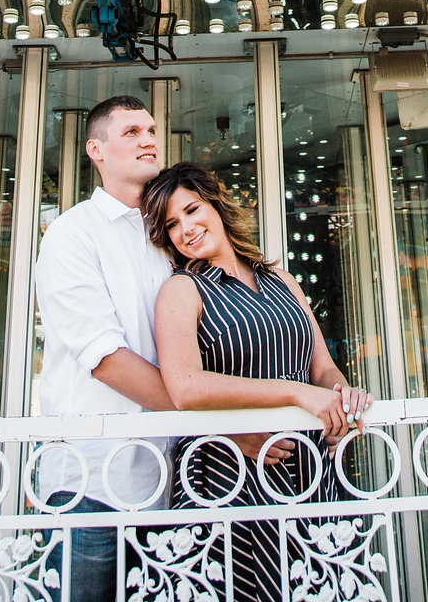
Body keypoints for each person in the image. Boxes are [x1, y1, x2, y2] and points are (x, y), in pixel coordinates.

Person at [143, 161, 372, 602]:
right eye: (172, 224)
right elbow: (185, 387)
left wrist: (342, 393)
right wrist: (293, 392)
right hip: (228, 472)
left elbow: (321, 366)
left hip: (308, 468)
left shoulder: (282, 279)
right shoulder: (181, 290)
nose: (186, 229)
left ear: (217, 204)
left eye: (192, 210)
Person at [35, 95, 173, 602]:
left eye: (152, 130)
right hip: (91, 483)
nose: (148, 139)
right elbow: (105, 358)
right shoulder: (73, 235)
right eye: (132, 132)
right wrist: (214, 420)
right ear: (96, 149)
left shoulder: (170, 234)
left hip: (167, 481)